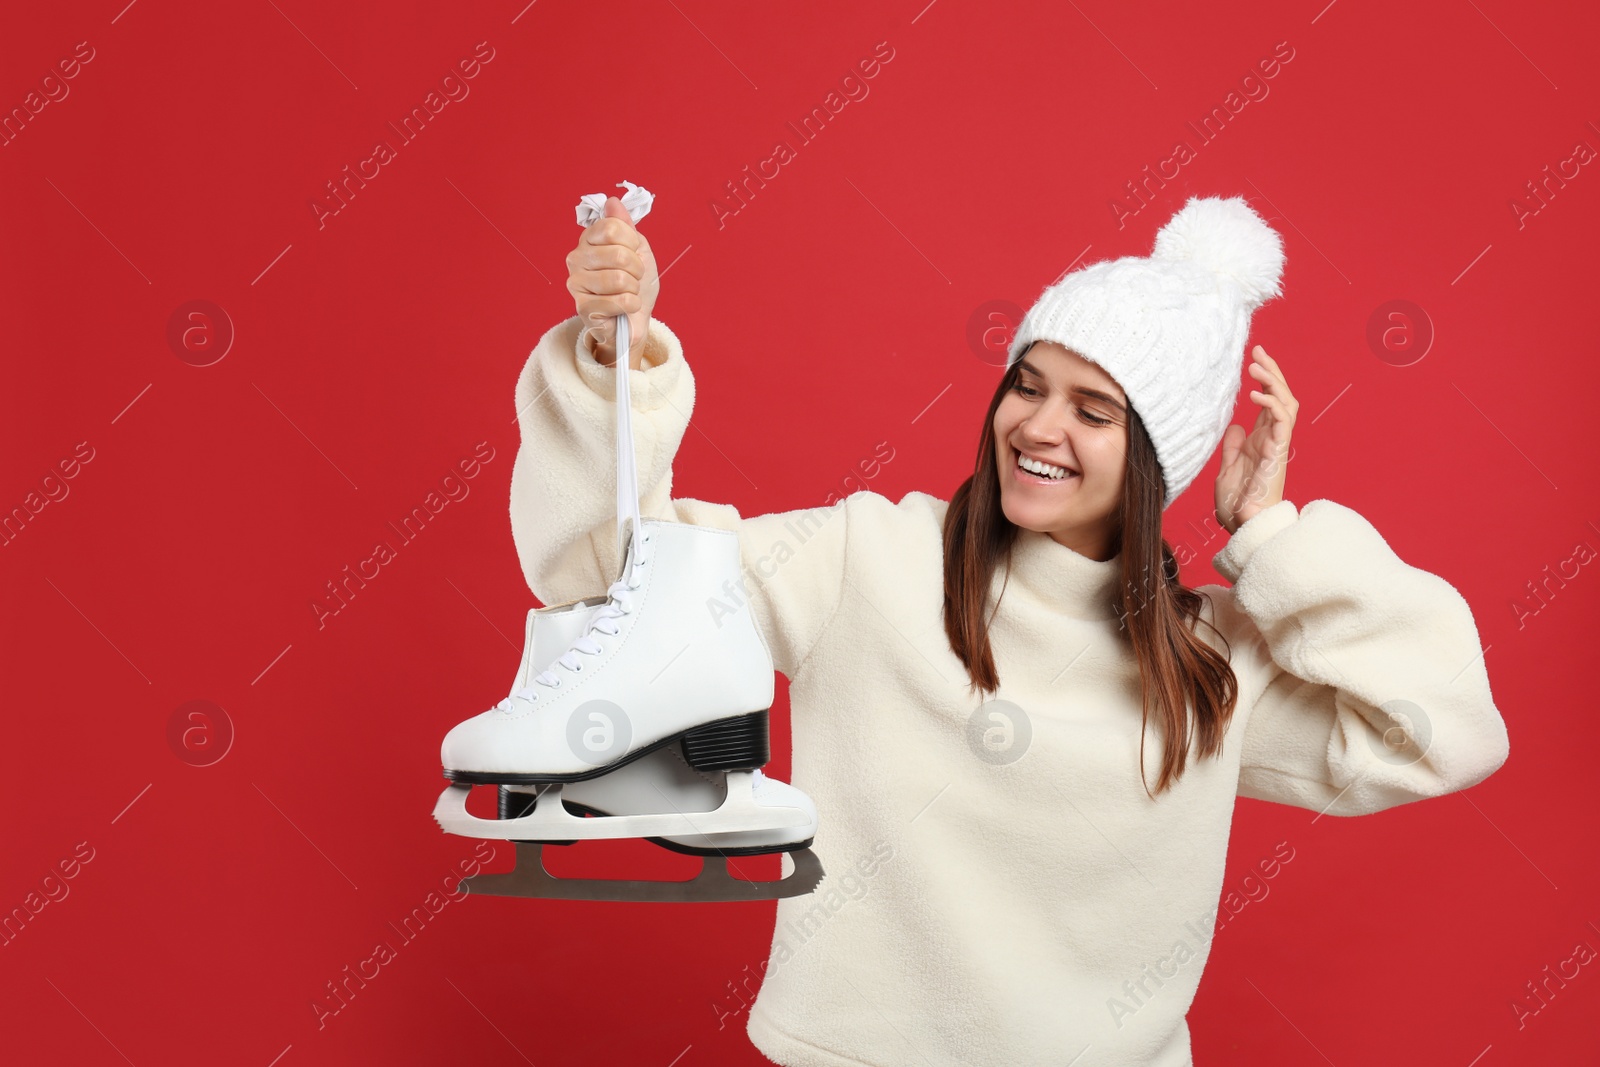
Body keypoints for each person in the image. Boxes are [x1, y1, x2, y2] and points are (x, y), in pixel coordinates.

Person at [512, 193, 1510, 1066]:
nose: (1037, 426)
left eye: (1093, 409)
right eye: (1027, 385)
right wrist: (615, 358)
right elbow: (606, 575)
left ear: (1160, 453)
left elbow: (1447, 733)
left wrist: (1273, 533)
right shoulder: (866, 558)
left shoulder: (1207, 661)